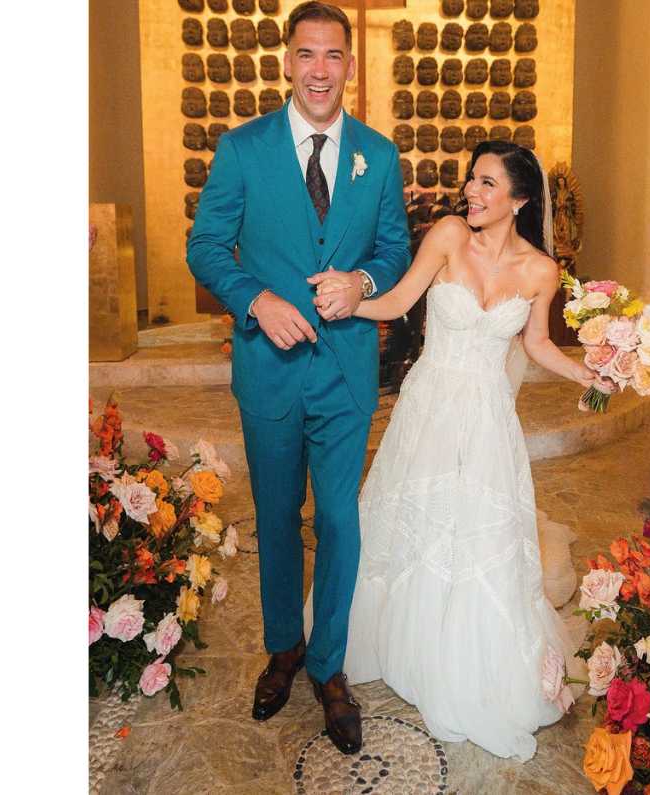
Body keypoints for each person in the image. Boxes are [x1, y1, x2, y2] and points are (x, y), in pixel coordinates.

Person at [306, 141, 605, 761]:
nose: (472, 190)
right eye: (472, 179)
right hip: (429, 408)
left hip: (489, 419)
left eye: (488, 182)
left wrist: (588, 374)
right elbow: (399, 301)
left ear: (520, 199)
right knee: (416, 523)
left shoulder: (541, 271)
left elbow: (538, 343)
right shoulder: (447, 235)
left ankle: (466, 654)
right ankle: (399, 639)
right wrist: (351, 304)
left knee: (476, 534)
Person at [186, 1, 410, 756]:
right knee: (277, 516)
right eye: (307, 54)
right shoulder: (242, 149)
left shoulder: (378, 156)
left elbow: (395, 250)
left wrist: (362, 282)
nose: (320, 70)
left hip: (345, 373)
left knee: (339, 519)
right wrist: (255, 299)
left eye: (333, 55)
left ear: (350, 65)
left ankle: (328, 665)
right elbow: (206, 246)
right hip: (270, 373)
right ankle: (283, 647)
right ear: (287, 62)